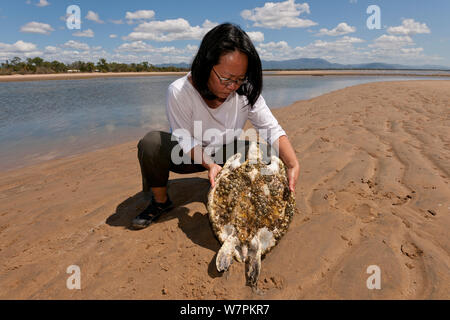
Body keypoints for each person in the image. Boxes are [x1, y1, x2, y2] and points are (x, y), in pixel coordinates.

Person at [131, 23, 300, 230]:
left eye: (239, 79)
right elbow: (185, 139)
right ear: (206, 64)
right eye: (226, 78)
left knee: (264, 153)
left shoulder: (246, 91)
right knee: (151, 143)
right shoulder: (179, 91)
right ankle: (160, 201)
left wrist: (292, 164)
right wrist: (210, 165)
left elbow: (271, 128)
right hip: (185, 154)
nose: (232, 87)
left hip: (225, 152)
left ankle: (237, 194)